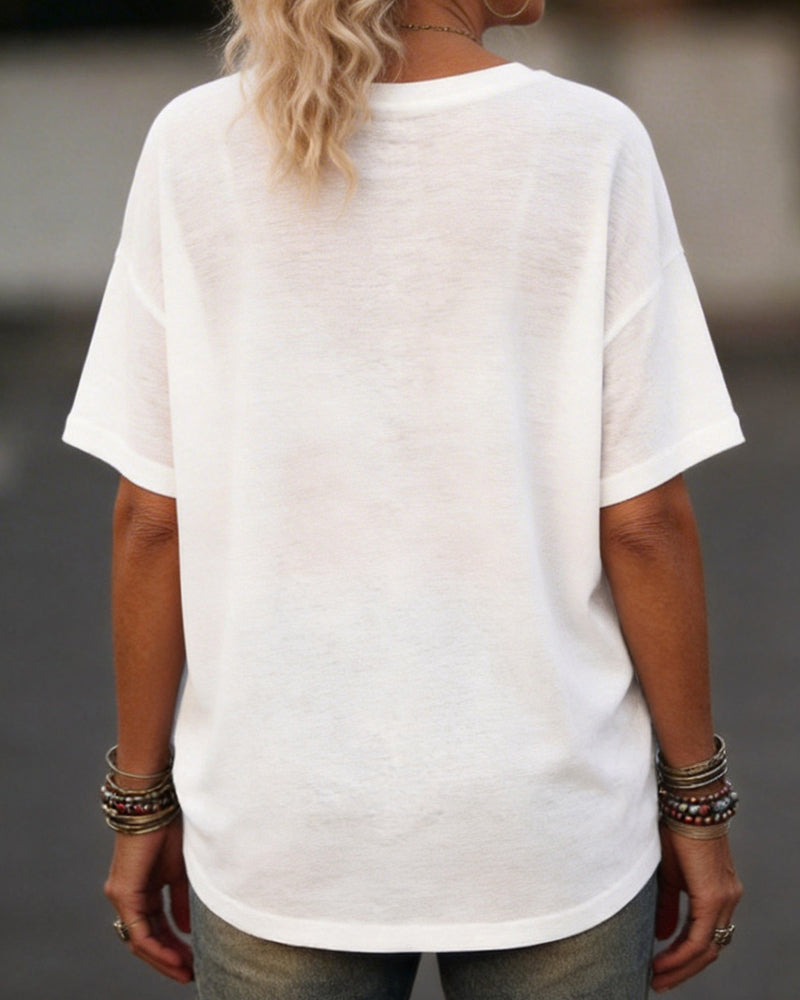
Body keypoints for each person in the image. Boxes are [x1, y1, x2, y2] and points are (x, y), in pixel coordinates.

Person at [63, 0, 745, 996]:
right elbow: (641, 525)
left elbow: (151, 520)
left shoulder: (194, 143)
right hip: (545, 825)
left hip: (279, 823)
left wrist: (138, 802)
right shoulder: (589, 142)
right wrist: (696, 806)